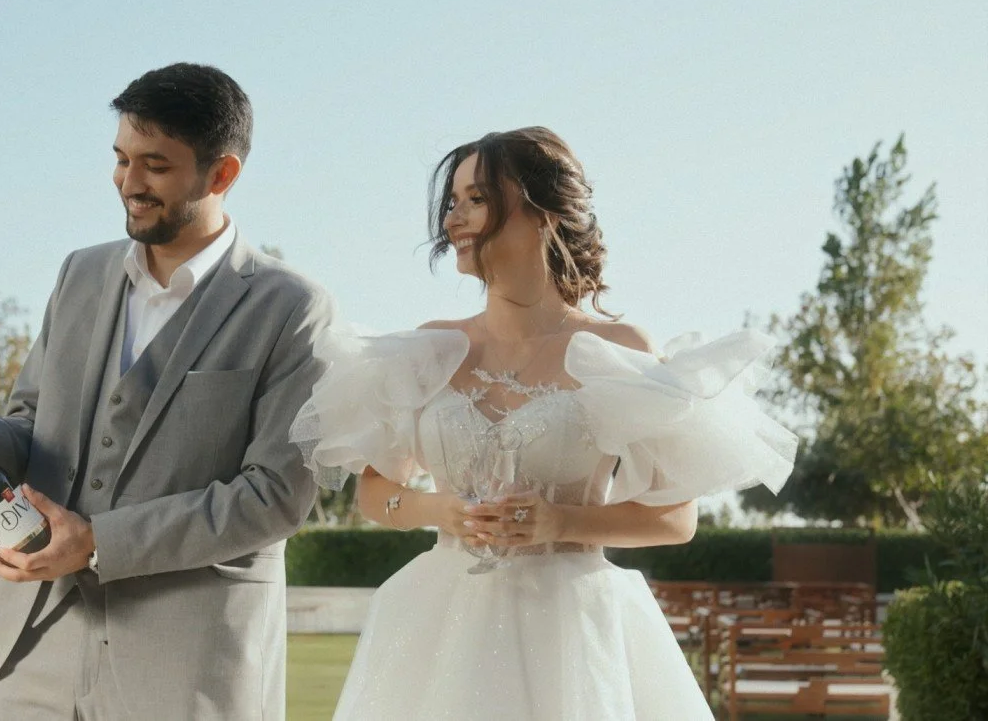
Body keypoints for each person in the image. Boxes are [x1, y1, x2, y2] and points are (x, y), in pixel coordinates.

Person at [290, 126, 797, 720]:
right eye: (451, 202)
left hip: (571, 629)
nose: (454, 218)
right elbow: (375, 495)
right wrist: (440, 511)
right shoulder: (427, 350)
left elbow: (673, 518)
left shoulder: (616, 351)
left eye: (476, 199)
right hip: (439, 623)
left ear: (543, 213)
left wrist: (560, 520)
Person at [0, 62, 331, 720]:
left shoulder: (292, 308)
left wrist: (99, 541)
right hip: (27, 655)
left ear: (222, 175)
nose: (129, 183)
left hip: (184, 669)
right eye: (121, 159)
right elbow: (37, 430)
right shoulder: (79, 275)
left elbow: (274, 497)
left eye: (155, 165)